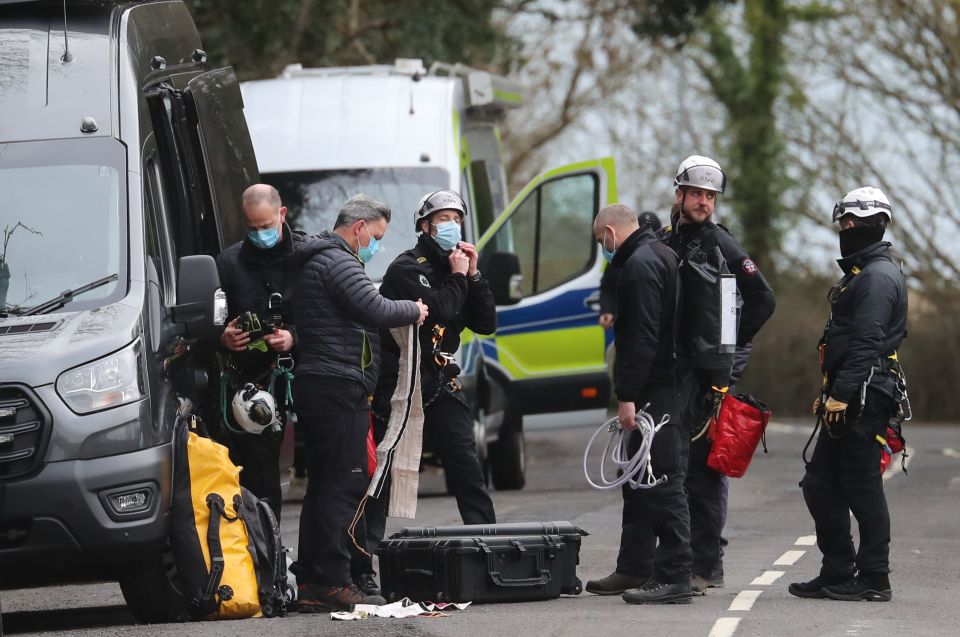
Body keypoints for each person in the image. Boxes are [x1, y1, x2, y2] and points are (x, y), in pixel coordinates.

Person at [290, 194, 428, 612]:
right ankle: (334, 580)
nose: (376, 245)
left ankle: (312, 580)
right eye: (377, 236)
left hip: (320, 384)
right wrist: (414, 308)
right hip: (337, 387)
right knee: (344, 484)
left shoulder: (319, 260)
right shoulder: (339, 262)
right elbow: (374, 307)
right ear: (359, 227)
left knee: (322, 485)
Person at [357, 190, 498, 590]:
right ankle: (364, 565)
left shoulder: (460, 269)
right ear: (425, 226)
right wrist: (457, 277)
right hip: (400, 382)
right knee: (381, 475)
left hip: (441, 380)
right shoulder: (407, 267)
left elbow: (485, 322)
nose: (451, 226)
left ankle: (487, 550)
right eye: (443, 219)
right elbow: (439, 309)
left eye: (457, 218)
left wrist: (474, 276)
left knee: (466, 465)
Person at [663, 155, 775, 594]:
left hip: (711, 373)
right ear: (681, 195)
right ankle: (685, 559)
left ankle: (706, 566)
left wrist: (728, 347)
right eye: (697, 194)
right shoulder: (673, 240)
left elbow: (762, 300)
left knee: (703, 473)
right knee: (679, 468)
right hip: (682, 370)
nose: (704, 203)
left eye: (710, 196)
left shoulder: (722, 244)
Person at [789, 187, 906, 603]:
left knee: (861, 486)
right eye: (843, 224)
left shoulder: (877, 277)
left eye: (851, 224)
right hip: (852, 390)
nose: (845, 230)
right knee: (819, 484)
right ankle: (838, 568)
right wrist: (832, 392)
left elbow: (867, 342)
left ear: (870, 225)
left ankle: (874, 576)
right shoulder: (863, 273)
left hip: (864, 395)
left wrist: (840, 394)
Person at [585, 203, 693, 605]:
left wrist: (627, 395)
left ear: (611, 232)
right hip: (663, 382)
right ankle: (635, 565)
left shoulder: (643, 264)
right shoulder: (657, 253)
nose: (602, 248)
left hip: (658, 388)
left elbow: (643, 336)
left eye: (601, 241)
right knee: (636, 479)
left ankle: (675, 575)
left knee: (662, 479)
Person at [215, 184, 313, 520]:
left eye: (266, 227)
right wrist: (223, 338)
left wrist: (294, 337)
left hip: (310, 373)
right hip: (256, 384)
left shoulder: (309, 254)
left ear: (282, 214)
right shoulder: (228, 263)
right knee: (260, 478)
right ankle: (268, 552)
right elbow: (212, 323)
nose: (260, 235)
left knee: (330, 470)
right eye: (252, 229)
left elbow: (329, 315)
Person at [598, 211, 662, 330]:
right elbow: (607, 287)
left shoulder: (663, 260)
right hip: (624, 327)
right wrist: (607, 310)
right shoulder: (618, 258)